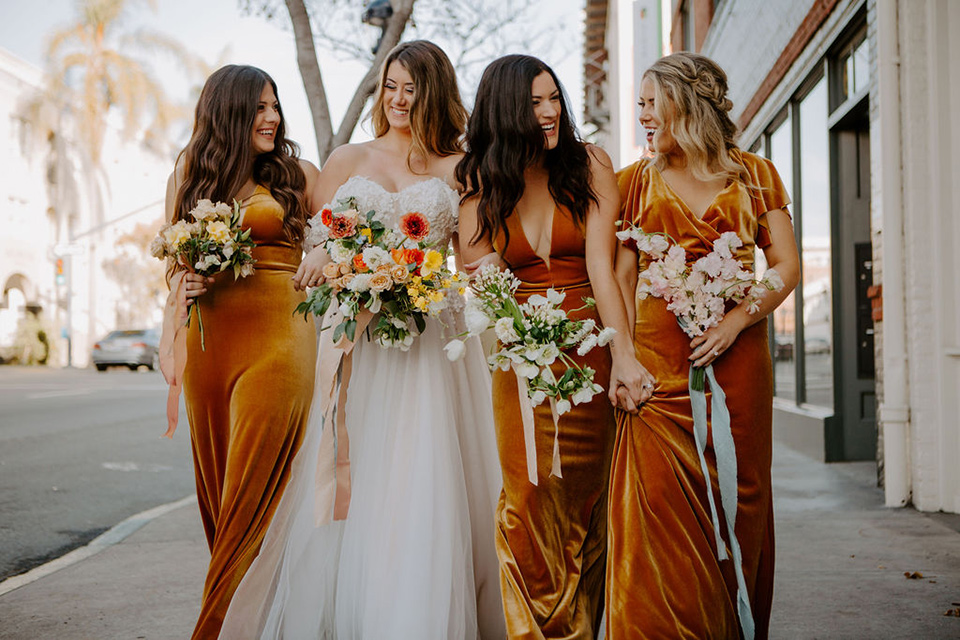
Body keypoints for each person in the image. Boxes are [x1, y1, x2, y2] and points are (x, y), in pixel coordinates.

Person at [219, 40, 506, 639]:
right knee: (362, 474)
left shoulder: (461, 168)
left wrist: (468, 279)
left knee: (424, 475)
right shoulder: (348, 158)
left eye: (412, 88)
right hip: (362, 345)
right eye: (390, 86)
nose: (398, 100)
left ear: (435, 94)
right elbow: (319, 241)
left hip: (431, 340)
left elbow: (475, 257)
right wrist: (334, 263)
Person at [456, 54, 653, 639]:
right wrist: (526, 333)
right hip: (519, 356)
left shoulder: (590, 163)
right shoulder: (477, 180)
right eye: (534, 103)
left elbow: (601, 267)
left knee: (587, 504)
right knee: (526, 501)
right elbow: (483, 274)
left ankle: (584, 627)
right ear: (506, 110)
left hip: (590, 347)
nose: (549, 113)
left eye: (554, 99)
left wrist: (622, 354)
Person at [609, 52, 801, 639]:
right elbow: (619, 277)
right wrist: (623, 358)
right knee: (659, 510)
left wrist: (738, 321)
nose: (641, 114)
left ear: (682, 103)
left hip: (739, 360)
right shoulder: (632, 181)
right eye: (639, 104)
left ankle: (734, 626)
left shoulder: (755, 174)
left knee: (741, 497)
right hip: (656, 367)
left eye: (648, 102)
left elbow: (787, 265)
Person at [162, 64, 321, 639]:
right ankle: (258, 624)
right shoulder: (191, 173)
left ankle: (214, 630)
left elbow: (343, 233)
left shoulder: (298, 174)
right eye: (258, 107)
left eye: (275, 105)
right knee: (223, 501)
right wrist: (184, 288)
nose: (272, 117)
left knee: (256, 497)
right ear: (228, 112)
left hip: (281, 339)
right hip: (210, 344)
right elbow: (172, 265)